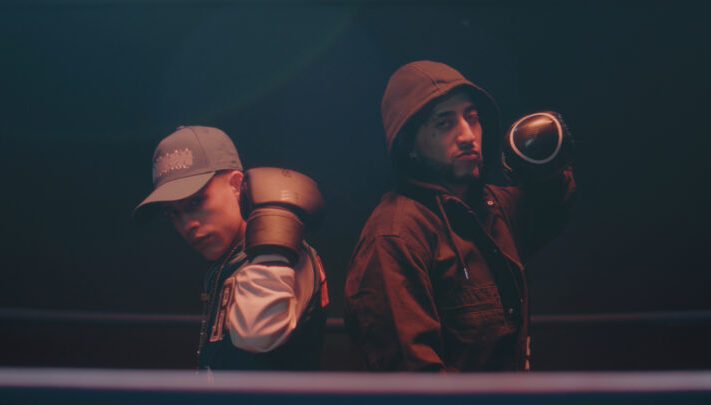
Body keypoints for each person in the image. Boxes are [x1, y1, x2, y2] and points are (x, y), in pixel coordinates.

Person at [343, 60, 575, 372]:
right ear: (409, 144)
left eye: (472, 118)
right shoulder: (394, 238)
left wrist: (545, 162)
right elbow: (415, 381)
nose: (467, 135)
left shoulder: (494, 206)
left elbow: (553, 206)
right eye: (444, 123)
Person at [133, 126, 328, 370]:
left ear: (236, 185)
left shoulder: (286, 254)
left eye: (196, 201)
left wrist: (274, 236)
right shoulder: (224, 264)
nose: (187, 224)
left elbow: (257, 333)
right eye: (173, 213)